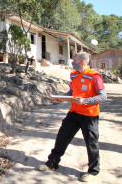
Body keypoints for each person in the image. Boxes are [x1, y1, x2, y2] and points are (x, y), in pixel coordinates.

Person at [38, 52, 107, 182]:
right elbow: (71, 92)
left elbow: (103, 96)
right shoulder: (73, 75)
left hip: (89, 115)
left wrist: (85, 101)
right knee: (62, 137)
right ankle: (52, 163)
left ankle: (93, 171)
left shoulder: (95, 76)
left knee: (91, 143)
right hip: (74, 112)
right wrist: (61, 98)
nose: (72, 63)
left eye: (74, 60)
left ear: (83, 63)